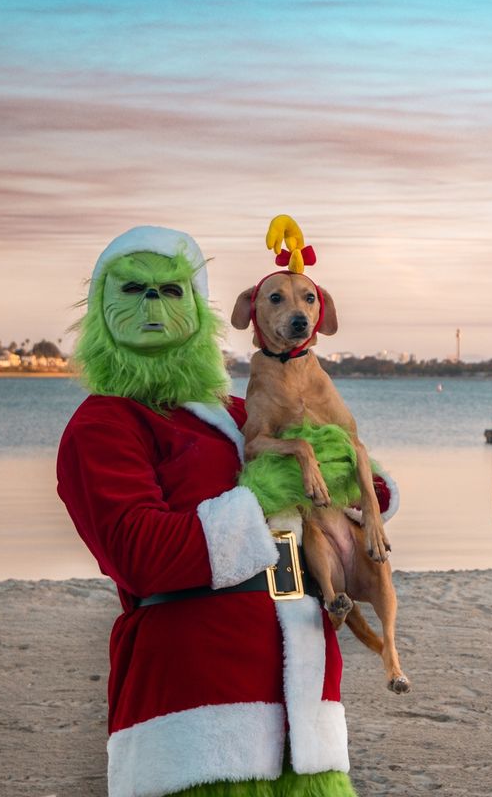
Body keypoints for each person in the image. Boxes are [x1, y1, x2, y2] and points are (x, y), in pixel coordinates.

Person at [57, 227, 358, 797]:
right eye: (135, 289)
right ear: (101, 310)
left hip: (305, 687)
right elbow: (141, 556)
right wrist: (267, 489)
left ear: (198, 310)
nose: (153, 304)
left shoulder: (239, 411)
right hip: (196, 707)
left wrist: (350, 463)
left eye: (172, 291)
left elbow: (371, 495)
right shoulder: (103, 424)